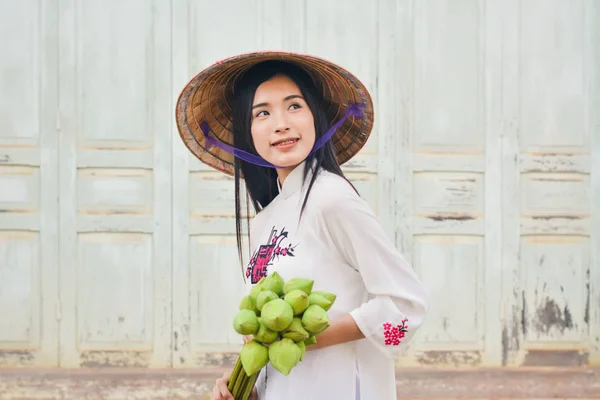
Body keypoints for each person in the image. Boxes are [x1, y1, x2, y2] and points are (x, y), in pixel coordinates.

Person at [175, 51, 430, 400]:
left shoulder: (332, 198)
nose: (281, 123)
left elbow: (407, 304)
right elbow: (269, 330)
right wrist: (244, 382)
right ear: (247, 133)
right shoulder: (265, 219)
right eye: (262, 112)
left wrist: (307, 337)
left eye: (294, 106)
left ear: (316, 117)